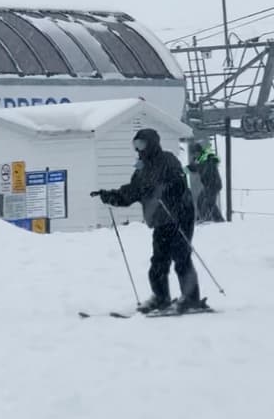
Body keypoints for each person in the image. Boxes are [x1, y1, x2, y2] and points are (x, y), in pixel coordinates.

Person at [94, 128, 201, 314]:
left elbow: (178, 184)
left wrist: (159, 190)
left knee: (181, 258)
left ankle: (191, 299)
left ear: (152, 143)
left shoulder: (168, 160)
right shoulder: (141, 167)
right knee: (158, 263)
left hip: (180, 215)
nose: (138, 149)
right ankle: (161, 298)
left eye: (141, 144)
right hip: (160, 219)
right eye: (135, 145)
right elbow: (132, 192)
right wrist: (110, 196)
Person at [187, 141, 225, 224]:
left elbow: (202, 167)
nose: (194, 155)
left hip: (213, 184)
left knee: (208, 202)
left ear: (199, 152)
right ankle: (218, 220)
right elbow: (195, 168)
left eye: (195, 153)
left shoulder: (206, 158)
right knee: (202, 201)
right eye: (193, 153)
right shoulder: (201, 159)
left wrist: (196, 165)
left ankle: (207, 219)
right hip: (209, 185)